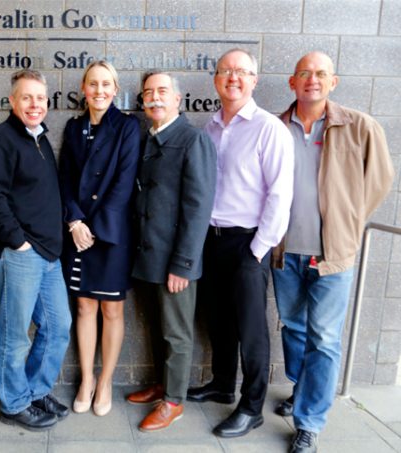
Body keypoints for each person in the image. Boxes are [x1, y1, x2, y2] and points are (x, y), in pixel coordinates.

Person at [271, 51, 394, 453]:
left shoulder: (359, 126)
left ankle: (309, 421)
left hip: (332, 257)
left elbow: (377, 182)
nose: (312, 80)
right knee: (293, 327)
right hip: (285, 253)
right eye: (304, 73)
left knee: (324, 339)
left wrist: (346, 223)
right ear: (292, 82)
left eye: (321, 73)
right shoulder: (275, 126)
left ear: (333, 81)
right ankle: (303, 389)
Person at [186, 48, 294, 438]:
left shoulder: (269, 128)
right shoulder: (210, 127)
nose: (233, 78)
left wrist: (257, 250)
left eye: (242, 72)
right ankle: (221, 384)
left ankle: (251, 408)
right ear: (216, 79)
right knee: (218, 319)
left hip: (250, 242)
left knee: (251, 329)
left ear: (254, 80)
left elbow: (280, 196)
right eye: (226, 71)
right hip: (211, 240)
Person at [0, 69, 72, 432]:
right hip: (17, 253)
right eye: (26, 97)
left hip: (47, 255)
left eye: (40, 98)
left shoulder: (40, 138)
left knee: (58, 326)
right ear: (11, 101)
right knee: (15, 334)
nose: (35, 104)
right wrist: (20, 241)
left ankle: (33, 391)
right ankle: (13, 403)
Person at [126, 71, 217, 431]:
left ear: (178, 99)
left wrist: (183, 263)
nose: (155, 97)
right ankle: (163, 384)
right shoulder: (150, 138)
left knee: (177, 333)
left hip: (175, 260)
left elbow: (198, 209)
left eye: (162, 91)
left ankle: (174, 401)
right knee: (159, 328)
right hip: (149, 256)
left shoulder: (193, 140)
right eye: (148, 92)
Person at [57, 60, 140, 416]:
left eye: (107, 84)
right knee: (84, 306)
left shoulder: (128, 127)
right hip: (79, 233)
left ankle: (105, 381)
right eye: (93, 84)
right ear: (84, 87)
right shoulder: (74, 128)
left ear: (115, 89)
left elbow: (124, 184)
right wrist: (74, 220)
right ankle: (87, 380)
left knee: (112, 308)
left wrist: (94, 227)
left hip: (111, 233)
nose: (100, 90)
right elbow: (63, 178)